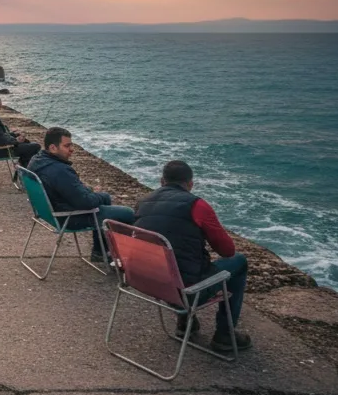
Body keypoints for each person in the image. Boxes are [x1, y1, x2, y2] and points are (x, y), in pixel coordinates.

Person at [134, 160, 252, 352]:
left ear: (162, 181)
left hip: (147, 280)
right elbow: (227, 251)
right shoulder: (197, 205)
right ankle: (224, 334)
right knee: (238, 261)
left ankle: (184, 321)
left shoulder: (142, 202)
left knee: (170, 261)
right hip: (185, 290)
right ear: (190, 184)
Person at [27, 127, 134, 256]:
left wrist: (88, 192)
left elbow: (68, 189)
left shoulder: (37, 160)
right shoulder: (60, 170)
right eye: (67, 146)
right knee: (127, 212)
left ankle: (100, 251)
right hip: (67, 217)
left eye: (71, 144)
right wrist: (94, 194)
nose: (72, 149)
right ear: (53, 148)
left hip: (47, 213)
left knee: (104, 198)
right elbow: (86, 202)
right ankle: (123, 255)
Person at [0, 94, 41, 168]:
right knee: (35, 146)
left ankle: (22, 169)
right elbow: (2, 140)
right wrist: (16, 140)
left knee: (27, 144)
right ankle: (25, 172)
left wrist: (13, 134)